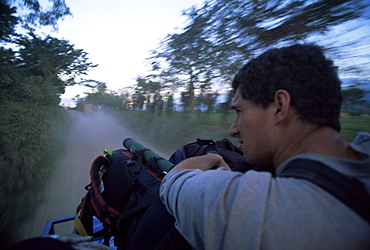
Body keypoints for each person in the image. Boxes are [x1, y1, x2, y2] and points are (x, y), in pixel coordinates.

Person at [159, 44, 370, 249]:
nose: (233, 130)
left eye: (240, 111)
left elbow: (172, 181)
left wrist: (211, 159)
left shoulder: (261, 209)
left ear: (279, 107)